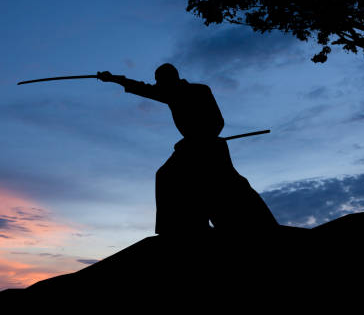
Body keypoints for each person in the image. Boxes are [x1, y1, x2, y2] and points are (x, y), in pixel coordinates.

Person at [97, 64, 277, 236]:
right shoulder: (169, 93)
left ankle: (190, 225)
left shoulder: (200, 90)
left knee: (220, 183)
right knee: (170, 177)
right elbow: (143, 88)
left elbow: (218, 121)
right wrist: (114, 79)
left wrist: (200, 138)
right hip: (190, 146)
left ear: (171, 78)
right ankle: (183, 225)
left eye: (160, 81)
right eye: (157, 82)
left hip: (207, 147)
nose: (158, 85)